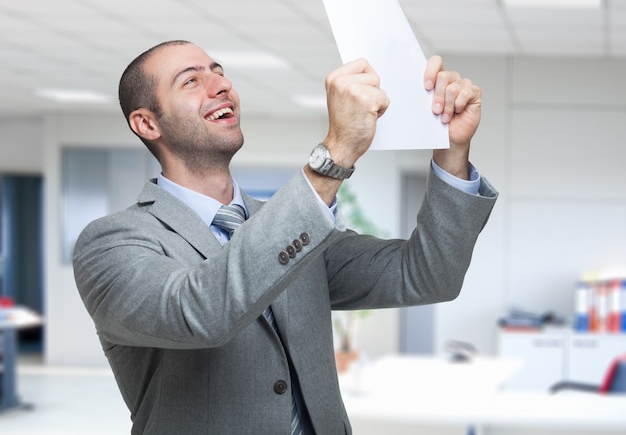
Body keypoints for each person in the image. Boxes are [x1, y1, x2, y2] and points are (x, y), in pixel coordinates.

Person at [73, 40, 497, 435]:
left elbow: (426, 275)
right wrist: (334, 156)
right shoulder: (112, 243)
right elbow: (200, 311)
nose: (221, 85)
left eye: (218, 72)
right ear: (147, 123)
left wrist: (451, 153)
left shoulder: (296, 225)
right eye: (192, 80)